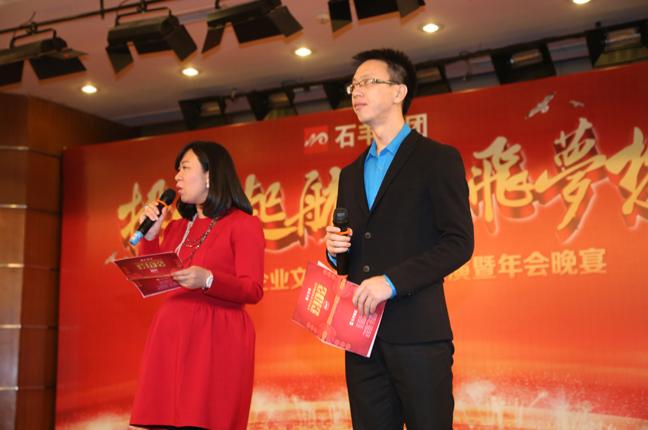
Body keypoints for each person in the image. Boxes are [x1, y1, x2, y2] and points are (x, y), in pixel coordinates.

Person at [325, 49, 474, 429]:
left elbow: (458, 241)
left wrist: (391, 282)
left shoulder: (437, 159)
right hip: (360, 338)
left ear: (399, 91)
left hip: (418, 333)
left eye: (368, 82)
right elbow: (354, 254)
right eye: (353, 85)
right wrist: (335, 251)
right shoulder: (350, 173)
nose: (357, 92)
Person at [130, 141, 265, 430]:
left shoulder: (243, 224)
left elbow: (252, 288)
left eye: (184, 168)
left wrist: (208, 280)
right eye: (177, 170)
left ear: (209, 175)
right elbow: (155, 281)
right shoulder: (177, 227)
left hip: (215, 337)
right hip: (171, 338)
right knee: (161, 421)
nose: (177, 177)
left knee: (203, 419)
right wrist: (151, 237)